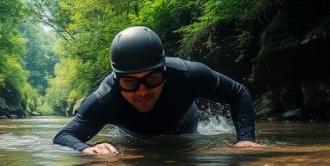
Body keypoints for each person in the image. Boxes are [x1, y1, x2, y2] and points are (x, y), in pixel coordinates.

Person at [53, 26, 262, 155]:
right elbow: (64, 136)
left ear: (164, 72)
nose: (142, 92)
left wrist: (246, 139)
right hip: (133, 136)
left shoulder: (188, 74)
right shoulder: (104, 99)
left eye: (151, 79)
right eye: (129, 83)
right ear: (117, 81)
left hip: (185, 127)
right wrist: (87, 149)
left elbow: (238, 93)